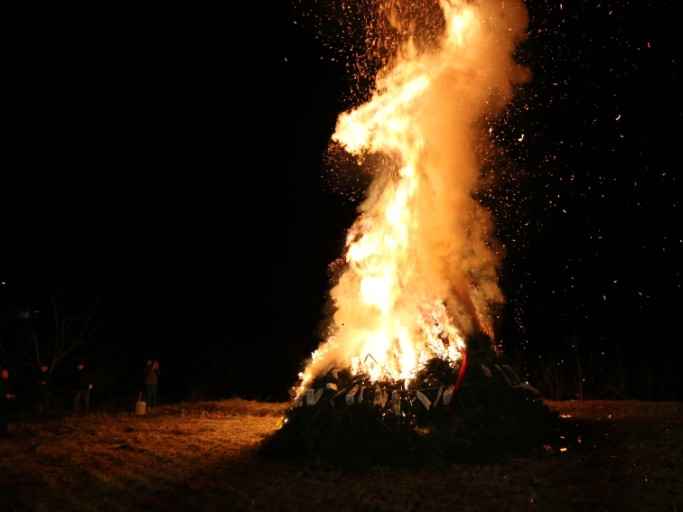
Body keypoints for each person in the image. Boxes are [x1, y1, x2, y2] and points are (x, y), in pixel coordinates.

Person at [1, 368, 16, 437]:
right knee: (3, 417)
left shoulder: (8, 382)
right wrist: (5, 395)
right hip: (2, 402)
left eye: (7, 373)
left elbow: (10, 390)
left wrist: (12, 395)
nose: (6, 374)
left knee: (6, 417)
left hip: (6, 403)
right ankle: (3, 432)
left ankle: (5, 431)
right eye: (4, 373)